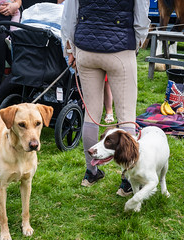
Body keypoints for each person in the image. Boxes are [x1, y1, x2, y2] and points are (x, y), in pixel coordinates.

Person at [61, 0, 150, 194]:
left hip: (86, 49)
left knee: (91, 114)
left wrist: (70, 48)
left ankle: (91, 172)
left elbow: (69, 14)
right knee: (126, 116)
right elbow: (142, 15)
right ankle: (128, 179)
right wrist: (138, 41)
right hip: (121, 48)